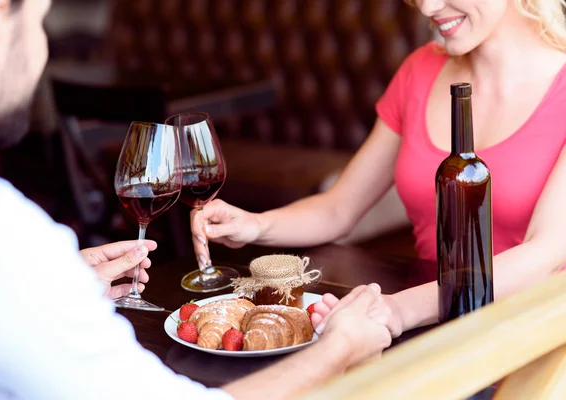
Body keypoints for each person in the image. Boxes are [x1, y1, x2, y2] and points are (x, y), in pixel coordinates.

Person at [0, 1, 392, 399]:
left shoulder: (0, 249)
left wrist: (55, 285)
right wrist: (341, 349)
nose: (42, 49)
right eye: (39, 23)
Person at [191, 0, 566, 338]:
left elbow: (544, 255)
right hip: (434, 328)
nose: (427, 7)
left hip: (528, 333)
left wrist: (399, 309)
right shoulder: (420, 70)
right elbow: (339, 208)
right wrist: (255, 224)